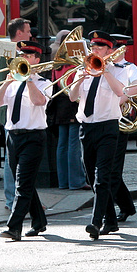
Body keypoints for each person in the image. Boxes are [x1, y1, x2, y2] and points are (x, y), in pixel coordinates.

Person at [69, 30, 126, 240]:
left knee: (102, 177)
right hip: (86, 127)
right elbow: (72, 97)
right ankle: (111, 220)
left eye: (100, 48)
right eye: (93, 47)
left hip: (108, 127)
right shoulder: (83, 68)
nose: (95, 51)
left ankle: (96, 221)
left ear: (109, 50)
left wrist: (105, 72)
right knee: (92, 177)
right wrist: (79, 79)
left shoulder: (118, 70)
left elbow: (120, 92)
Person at [0, 41, 51, 240]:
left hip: (33, 136)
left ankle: (14, 227)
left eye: (28, 55)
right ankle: (39, 221)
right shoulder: (13, 81)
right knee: (23, 181)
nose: (24, 58)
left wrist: (29, 79)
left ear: (37, 59)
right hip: (12, 136)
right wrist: (7, 82)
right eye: (22, 54)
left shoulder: (43, 82)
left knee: (23, 183)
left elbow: (39, 101)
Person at [108, 34, 137, 225]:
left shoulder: (129, 68)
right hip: (100, 120)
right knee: (106, 170)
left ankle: (115, 208)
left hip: (119, 121)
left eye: (111, 49)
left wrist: (122, 99)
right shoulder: (102, 67)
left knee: (113, 170)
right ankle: (126, 206)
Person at [47, 29, 88, 191]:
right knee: (73, 144)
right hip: (72, 104)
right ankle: (76, 181)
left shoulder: (57, 62)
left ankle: (63, 181)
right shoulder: (72, 64)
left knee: (62, 144)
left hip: (59, 106)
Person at [2, 18, 33, 210]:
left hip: (23, 110)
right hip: (10, 110)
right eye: (28, 31)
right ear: (19, 33)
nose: (30, 34)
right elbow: (1, 76)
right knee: (10, 161)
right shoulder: (8, 49)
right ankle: (10, 199)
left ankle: (22, 200)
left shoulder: (21, 50)